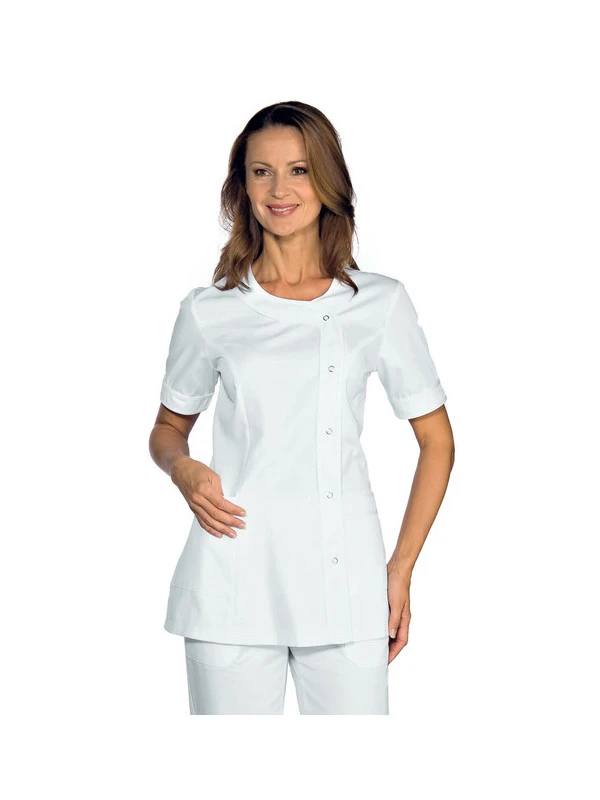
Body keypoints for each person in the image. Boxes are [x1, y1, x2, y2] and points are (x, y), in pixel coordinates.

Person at [149, 100, 455, 715]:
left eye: (299, 170)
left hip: (348, 585)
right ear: (242, 187)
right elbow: (167, 429)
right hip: (232, 578)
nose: (279, 190)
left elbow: (437, 442)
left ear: (327, 180)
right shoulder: (209, 310)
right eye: (261, 172)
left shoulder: (379, 303)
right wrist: (182, 469)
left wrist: (400, 568)